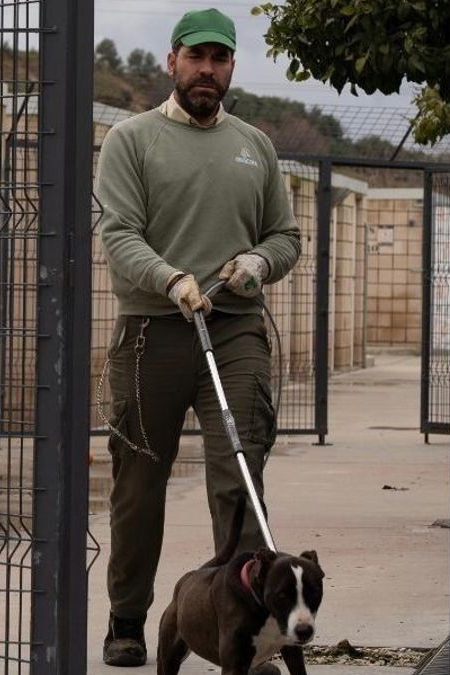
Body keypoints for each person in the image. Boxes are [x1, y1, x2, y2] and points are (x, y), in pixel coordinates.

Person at [94, 7, 301, 670]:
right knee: (138, 483)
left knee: (238, 473)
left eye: (219, 59)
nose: (206, 69)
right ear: (172, 62)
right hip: (153, 330)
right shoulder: (131, 140)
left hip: (234, 329)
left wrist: (257, 264)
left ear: (232, 66)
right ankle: (128, 617)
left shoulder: (255, 146)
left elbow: (285, 236)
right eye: (195, 57)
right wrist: (170, 278)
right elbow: (119, 234)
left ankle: (248, 625)